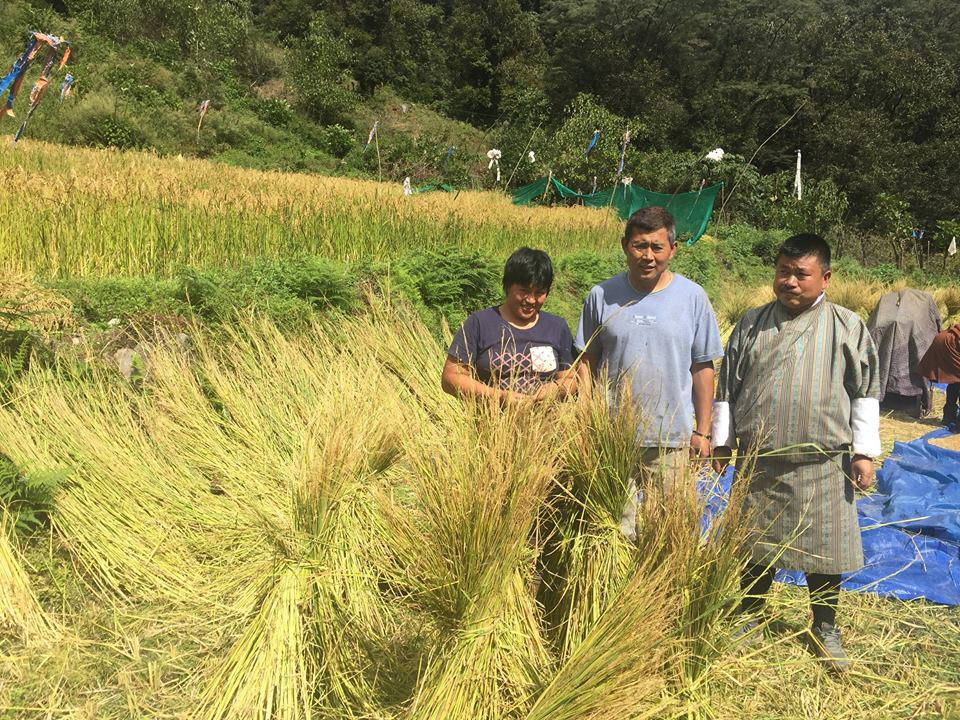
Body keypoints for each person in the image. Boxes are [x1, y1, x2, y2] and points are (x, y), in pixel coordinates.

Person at [711, 233, 881, 673]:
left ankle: (824, 626)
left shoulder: (847, 326)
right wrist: (722, 442)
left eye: (800, 274)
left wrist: (864, 452)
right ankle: (750, 612)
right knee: (753, 542)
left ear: (824, 277)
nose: (789, 281)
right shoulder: (751, 323)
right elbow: (727, 389)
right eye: (782, 271)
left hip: (823, 464)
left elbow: (864, 395)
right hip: (759, 460)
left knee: (827, 550)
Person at [575, 206, 723, 540]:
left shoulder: (692, 298)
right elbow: (586, 364)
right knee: (616, 531)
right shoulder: (601, 297)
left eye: (657, 247)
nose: (648, 256)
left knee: (668, 533)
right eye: (640, 246)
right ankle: (621, 591)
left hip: (673, 440)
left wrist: (703, 431)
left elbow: (702, 368)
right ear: (624, 245)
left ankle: (663, 592)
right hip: (615, 438)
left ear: (673, 249)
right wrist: (587, 425)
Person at [442, 247, 576, 402]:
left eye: (539, 293)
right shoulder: (479, 323)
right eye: (523, 291)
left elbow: (571, 379)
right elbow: (451, 377)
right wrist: (499, 396)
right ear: (507, 286)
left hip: (546, 424)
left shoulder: (557, 327)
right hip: (491, 423)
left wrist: (553, 389)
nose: (531, 300)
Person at [915, 323, 960, 429]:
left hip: (943, 339)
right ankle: (955, 422)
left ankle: (948, 418)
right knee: (956, 379)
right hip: (950, 342)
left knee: (955, 380)